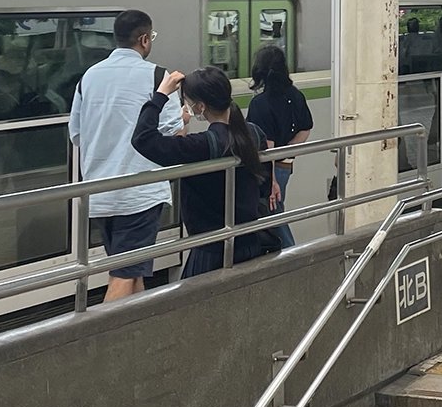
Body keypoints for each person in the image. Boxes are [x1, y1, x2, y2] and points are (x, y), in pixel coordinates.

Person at [68, 9, 182, 302]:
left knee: (133, 271)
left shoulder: (89, 77)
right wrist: (186, 119)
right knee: (123, 274)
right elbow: (173, 137)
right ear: (144, 39)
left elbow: (77, 134)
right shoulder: (159, 77)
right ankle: (101, 340)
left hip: (98, 194)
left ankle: (136, 333)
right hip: (139, 195)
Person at [131, 67, 281, 277]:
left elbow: (142, 139)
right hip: (251, 241)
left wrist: (161, 95)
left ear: (200, 107)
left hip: (210, 250)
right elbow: (264, 187)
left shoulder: (200, 146)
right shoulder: (255, 134)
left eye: (188, 103)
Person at [247, 45, 313, 249]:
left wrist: (271, 179)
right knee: (275, 209)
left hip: (269, 170)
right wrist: (289, 152)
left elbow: (267, 148)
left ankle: (291, 254)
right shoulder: (295, 95)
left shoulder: (260, 103)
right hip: (285, 166)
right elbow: (306, 128)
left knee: (273, 210)